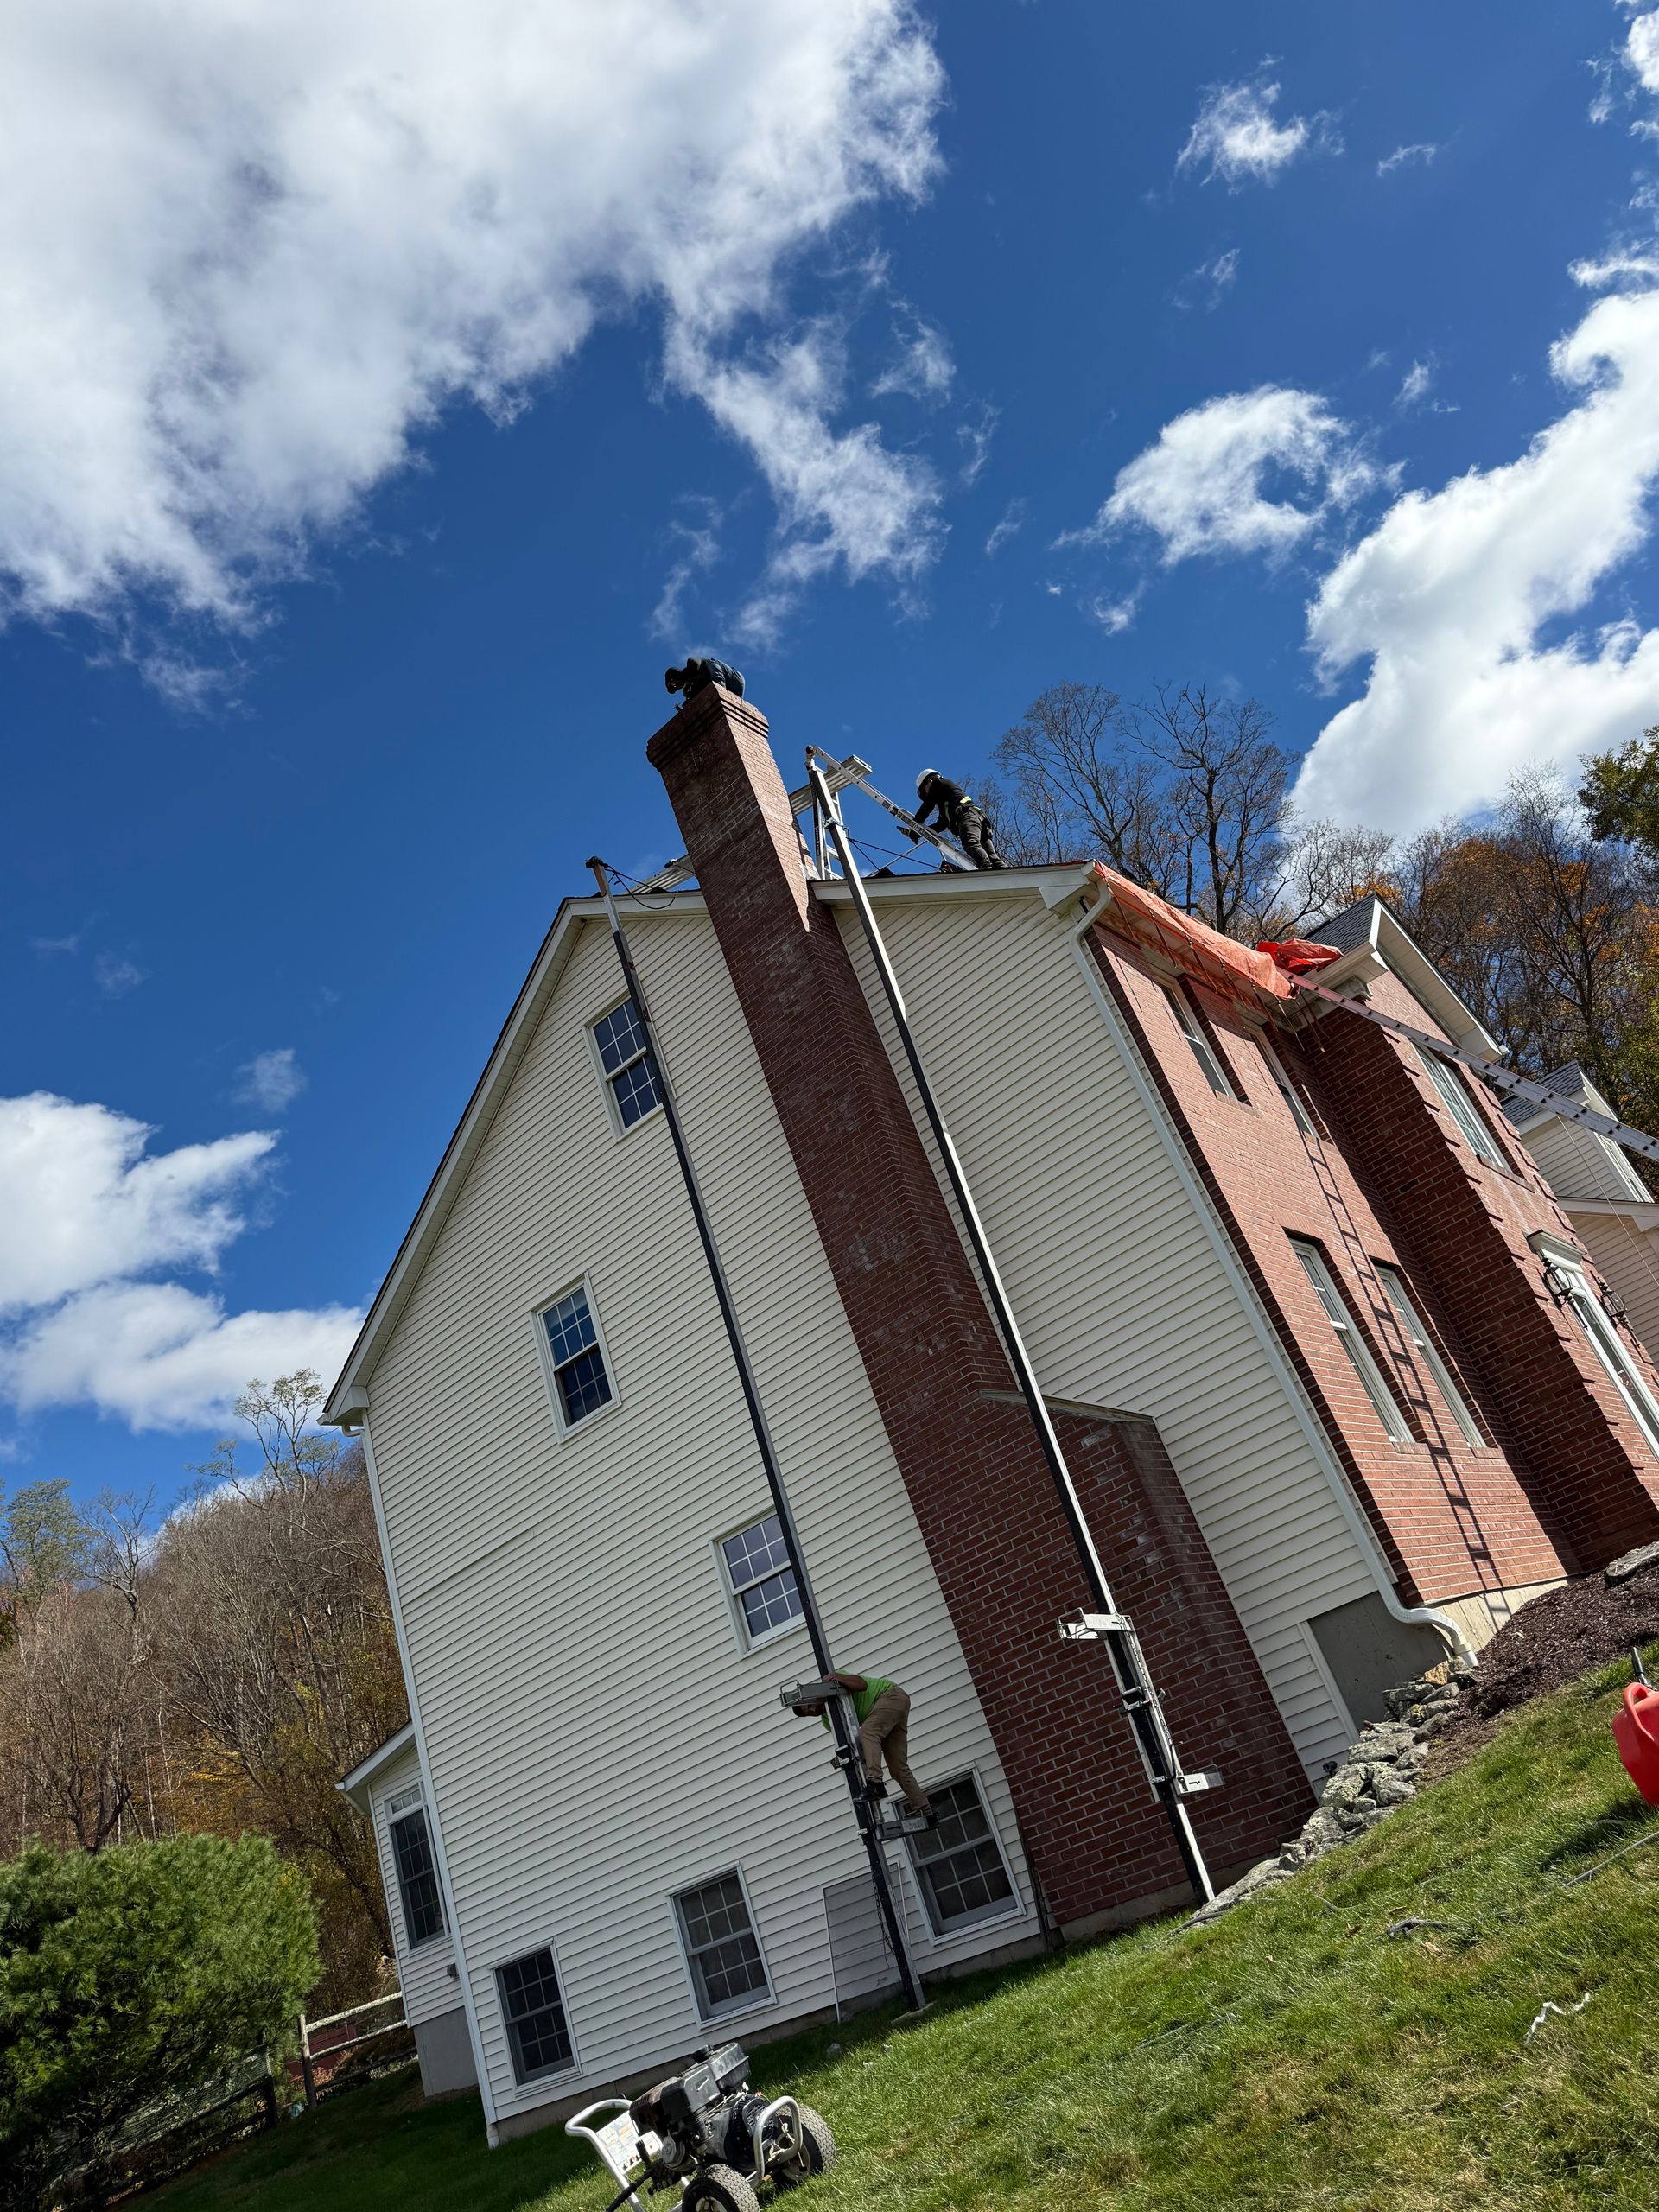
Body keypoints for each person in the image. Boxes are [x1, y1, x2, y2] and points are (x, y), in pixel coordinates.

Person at [796, 1670, 932, 1818]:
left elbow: (862, 1685)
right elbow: (853, 1742)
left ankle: (875, 1783)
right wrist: (841, 1756)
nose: (813, 1710)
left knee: (867, 1732)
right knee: (898, 1769)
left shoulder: (830, 1684)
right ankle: (925, 1811)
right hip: (885, 1715)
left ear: (811, 1695)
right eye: (809, 1712)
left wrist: (836, 1677)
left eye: (810, 1705)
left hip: (890, 1696)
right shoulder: (829, 1721)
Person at [907, 771, 1007, 869]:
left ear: (929, 781)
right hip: (979, 820)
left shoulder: (938, 783)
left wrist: (914, 823)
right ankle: (1006, 874)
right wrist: (918, 832)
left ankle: (986, 869)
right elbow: (940, 825)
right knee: (992, 858)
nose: (927, 794)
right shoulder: (948, 800)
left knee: (971, 844)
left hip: (967, 816)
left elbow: (927, 807)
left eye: (925, 791)